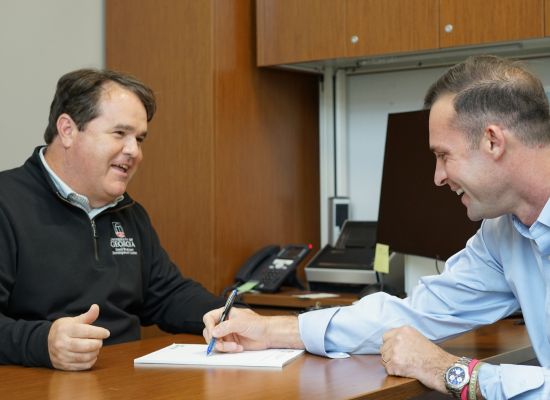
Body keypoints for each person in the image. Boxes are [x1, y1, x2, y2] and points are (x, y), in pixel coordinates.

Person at [203, 55, 550, 399]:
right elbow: (416, 313)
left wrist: (448, 372)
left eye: (444, 155)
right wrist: (269, 328)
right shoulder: (503, 233)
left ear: (493, 141)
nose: (438, 177)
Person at [0, 68, 226, 371]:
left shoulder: (129, 213)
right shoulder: (7, 203)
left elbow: (167, 294)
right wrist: (42, 342)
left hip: (126, 380)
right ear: (67, 129)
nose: (134, 151)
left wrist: (230, 315)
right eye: (120, 133)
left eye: (139, 138)